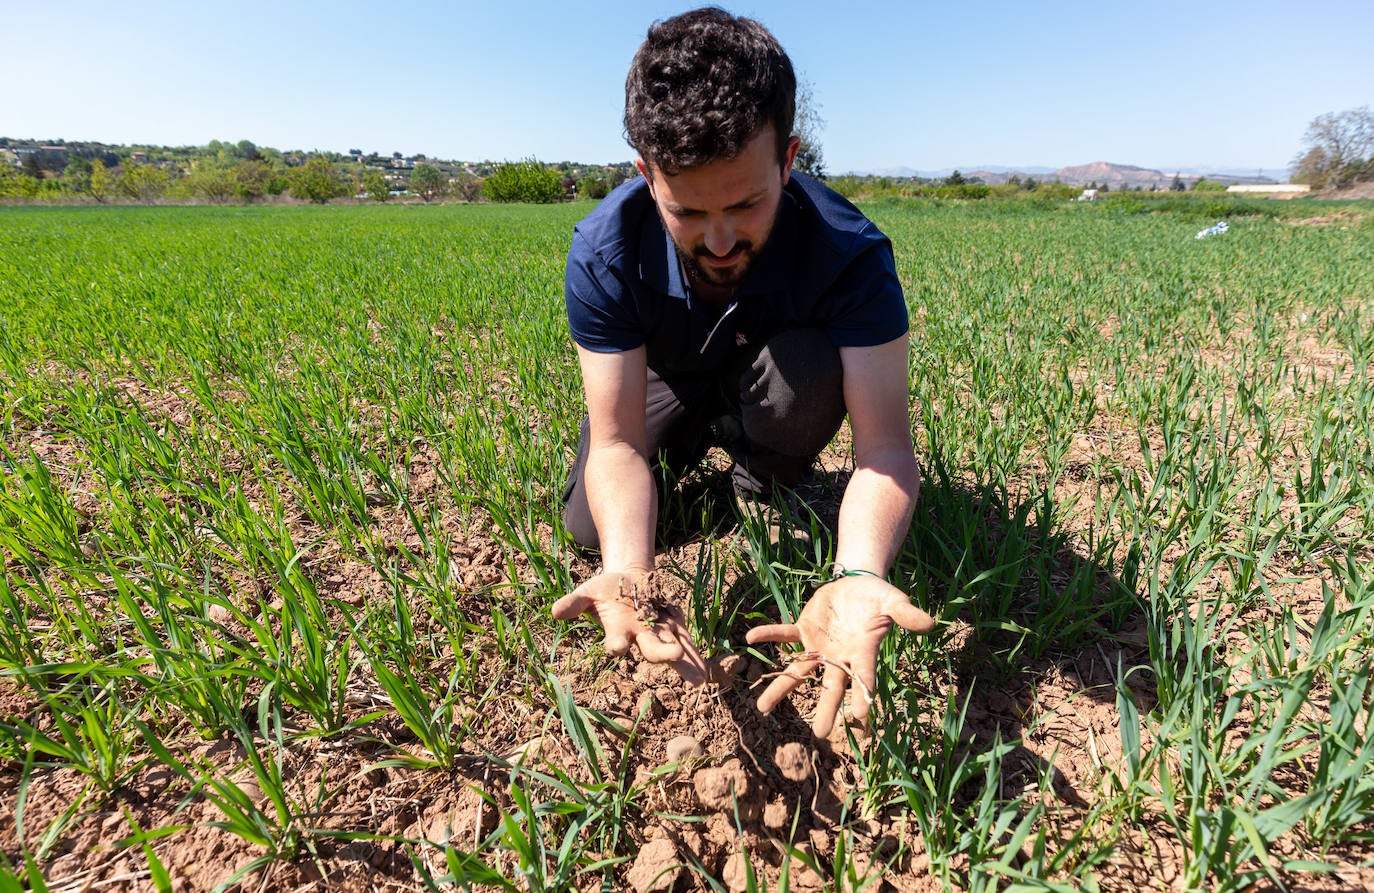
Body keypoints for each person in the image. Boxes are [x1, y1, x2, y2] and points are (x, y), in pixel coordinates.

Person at [551, 7, 933, 738]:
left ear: (788, 160)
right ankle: (699, 465)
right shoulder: (604, 250)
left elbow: (885, 450)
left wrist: (857, 574)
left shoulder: (850, 252)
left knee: (804, 379)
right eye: (688, 212)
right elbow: (617, 443)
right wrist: (634, 569)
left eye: (748, 204)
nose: (720, 240)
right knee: (585, 525)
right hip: (666, 379)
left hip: (772, 373)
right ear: (645, 174)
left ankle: (761, 474)